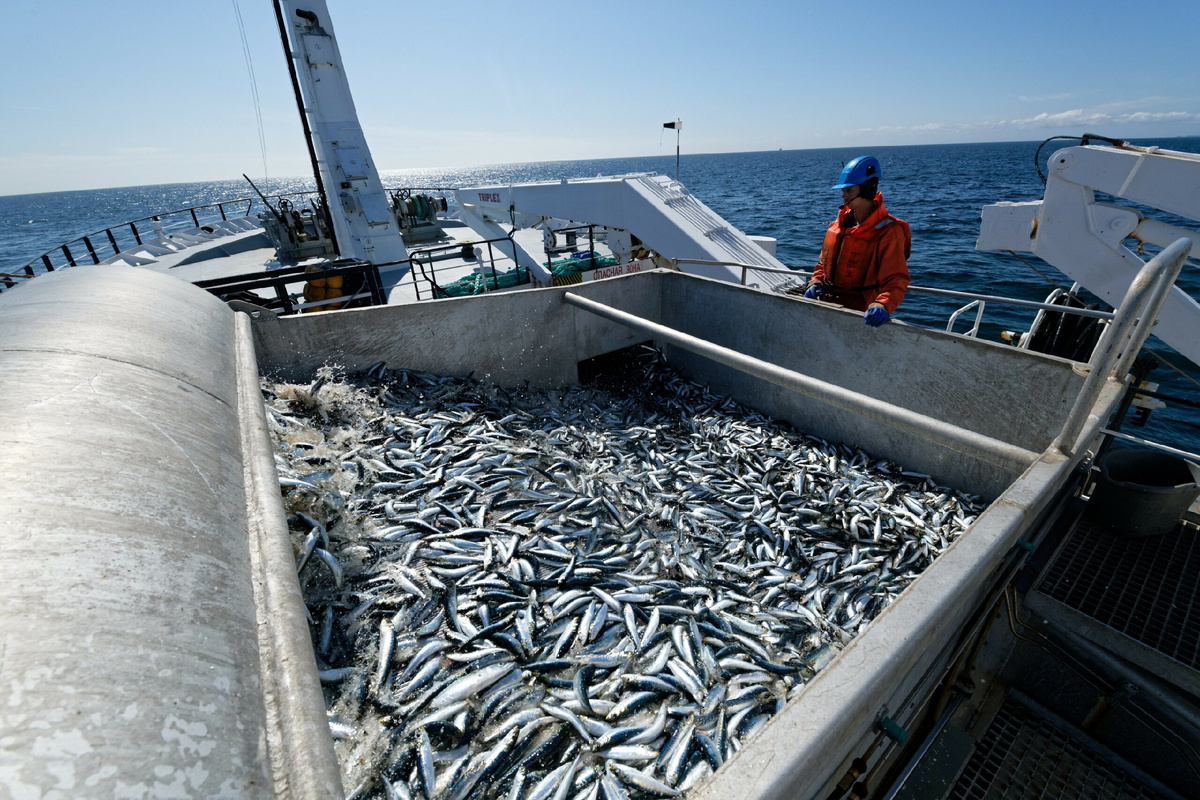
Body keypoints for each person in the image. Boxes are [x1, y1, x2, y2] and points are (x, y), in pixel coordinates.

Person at [803, 156, 911, 327]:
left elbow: (896, 278)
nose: (843, 196)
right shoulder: (836, 226)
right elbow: (823, 264)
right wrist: (815, 281)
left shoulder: (888, 231)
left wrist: (883, 304)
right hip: (828, 311)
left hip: (862, 317)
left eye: (849, 191)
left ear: (868, 188)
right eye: (843, 191)